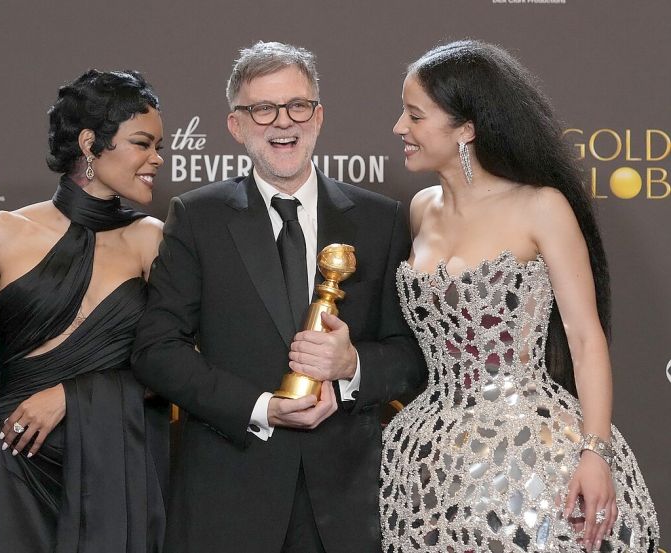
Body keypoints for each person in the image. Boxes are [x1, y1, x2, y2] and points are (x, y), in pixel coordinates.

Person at [131, 41, 427, 553]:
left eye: (297, 105)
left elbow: (413, 355)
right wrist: (261, 407)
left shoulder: (381, 220)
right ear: (236, 125)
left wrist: (353, 366)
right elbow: (157, 349)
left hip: (347, 504)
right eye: (263, 109)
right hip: (230, 496)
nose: (283, 122)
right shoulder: (198, 217)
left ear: (318, 116)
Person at [381, 40, 661, 552]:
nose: (400, 127)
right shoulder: (421, 209)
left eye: (415, 116)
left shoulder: (541, 208)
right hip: (432, 457)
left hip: (532, 452)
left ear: (466, 129)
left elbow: (585, 339)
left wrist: (595, 452)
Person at [0, 69, 168, 553]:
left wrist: (73, 395)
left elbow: (177, 367)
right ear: (91, 144)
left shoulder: (151, 241)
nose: (156, 158)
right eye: (142, 143)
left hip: (115, 476)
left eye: (158, 145)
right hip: (11, 470)